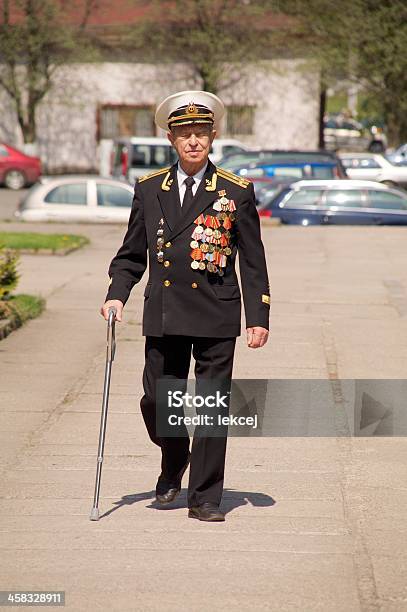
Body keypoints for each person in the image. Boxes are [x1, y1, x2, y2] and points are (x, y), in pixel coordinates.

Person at [100, 90, 270, 522]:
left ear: (213, 137)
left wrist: (259, 317)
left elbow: (252, 261)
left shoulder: (237, 191)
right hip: (164, 312)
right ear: (171, 140)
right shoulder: (150, 188)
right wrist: (117, 292)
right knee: (158, 403)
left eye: (201, 133)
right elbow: (131, 253)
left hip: (216, 311)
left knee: (212, 406)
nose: (193, 142)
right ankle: (174, 459)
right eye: (184, 134)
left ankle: (206, 496)